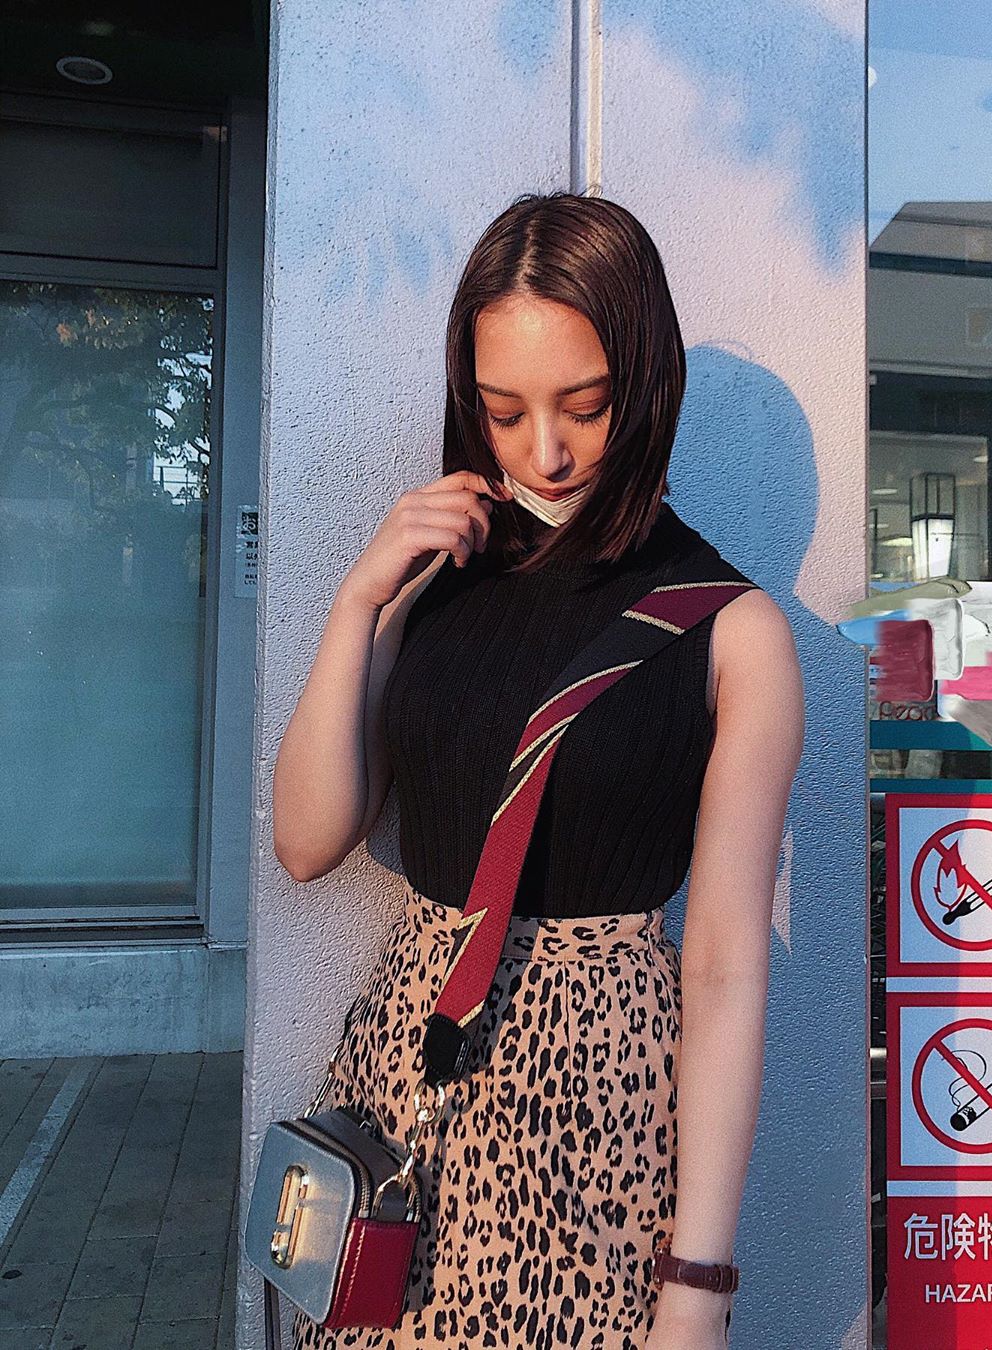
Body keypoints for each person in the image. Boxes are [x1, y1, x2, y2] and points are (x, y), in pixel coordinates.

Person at [273, 190, 804, 1350]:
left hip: (594, 1122)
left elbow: (724, 968)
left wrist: (698, 1283)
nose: (545, 452)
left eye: (586, 406)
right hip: (406, 1093)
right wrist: (361, 599)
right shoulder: (437, 575)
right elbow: (306, 841)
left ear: (647, 386)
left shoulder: (734, 632)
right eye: (504, 412)